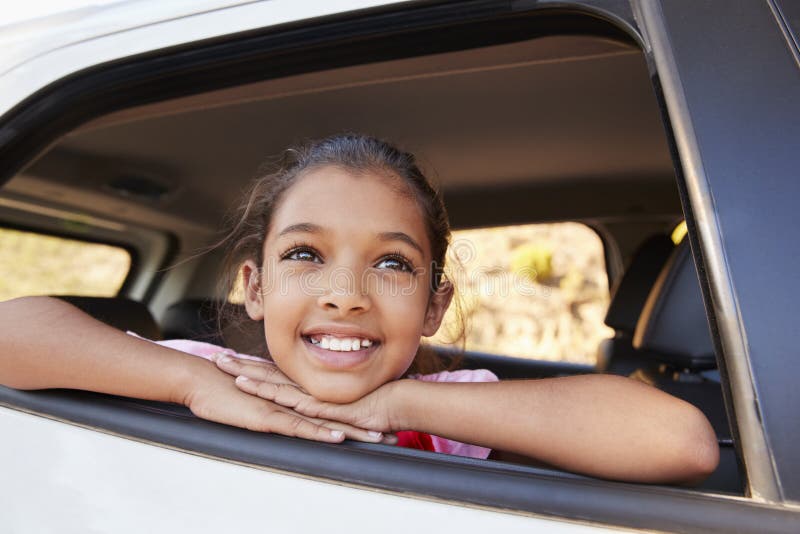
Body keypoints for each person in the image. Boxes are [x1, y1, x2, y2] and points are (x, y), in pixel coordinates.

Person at [0, 134, 719, 484]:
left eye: (392, 264)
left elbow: (680, 442)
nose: (345, 294)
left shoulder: (440, 413)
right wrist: (192, 385)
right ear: (254, 287)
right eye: (306, 255)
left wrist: (400, 408)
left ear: (436, 305)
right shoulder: (211, 374)